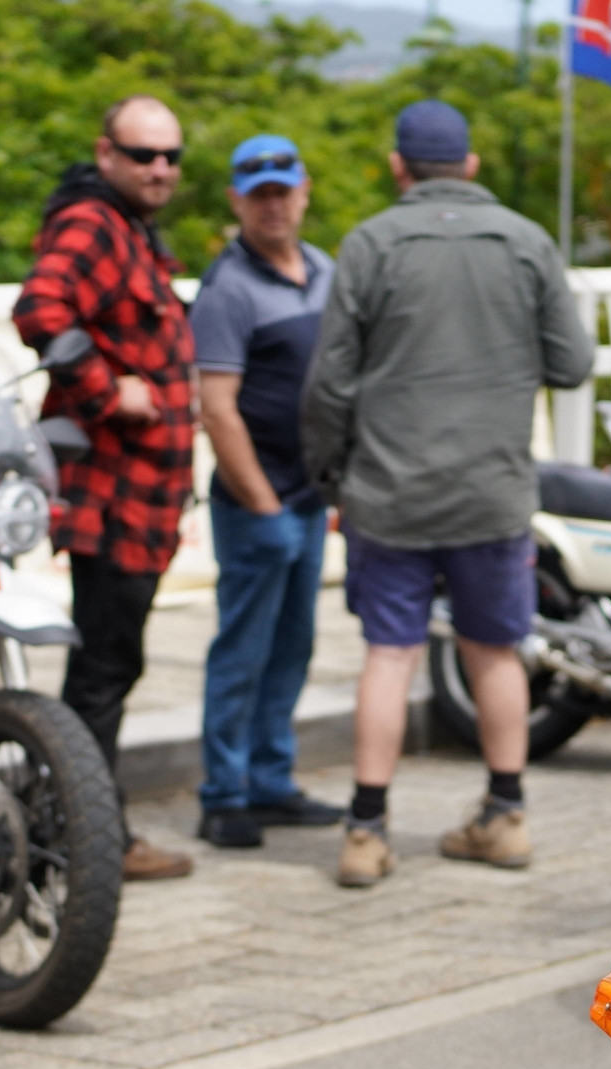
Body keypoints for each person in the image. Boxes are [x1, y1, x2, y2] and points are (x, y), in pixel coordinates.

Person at [299, 100, 594, 888]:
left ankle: (365, 832)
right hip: (492, 493)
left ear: (400, 166)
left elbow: (328, 383)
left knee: (389, 654)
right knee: (495, 649)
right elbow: (572, 365)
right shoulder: (527, 241)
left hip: (388, 494)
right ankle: (506, 817)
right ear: (469, 166)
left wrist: (331, 474)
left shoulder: (368, 244)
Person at [15, 94, 198, 883]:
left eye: (171, 157)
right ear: (107, 154)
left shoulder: (130, 230)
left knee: (110, 667)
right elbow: (39, 307)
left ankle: (67, 825)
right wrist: (103, 387)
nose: (160, 169)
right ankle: (83, 839)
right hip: (114, 497)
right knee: (102, 672)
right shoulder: (92, 222)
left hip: (143, 501)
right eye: (144, 154)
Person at [186, 135, 342, 851]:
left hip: (308, 499)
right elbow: (216, 409)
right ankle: (224, 793)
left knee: (292, 647)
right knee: (242, 651)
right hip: (257, 505)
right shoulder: (227, 289)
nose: (273, 205)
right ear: (237, 202)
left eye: (283, 191)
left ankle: (272, 781)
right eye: (259, 195)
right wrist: (263, 504)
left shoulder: (325, 272)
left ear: (304, 190)